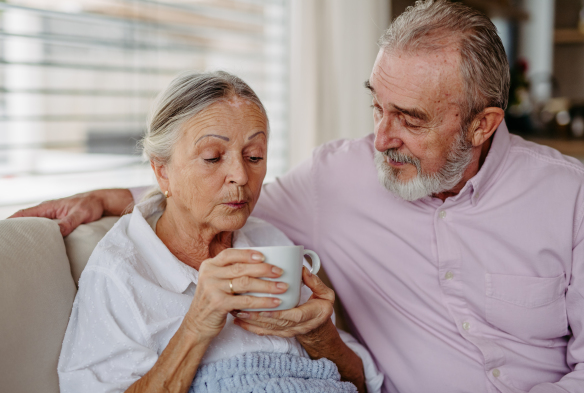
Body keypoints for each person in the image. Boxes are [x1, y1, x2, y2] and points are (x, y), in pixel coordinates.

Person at [12, 0, 584, 393]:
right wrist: (103, 197)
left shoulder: (572, 197)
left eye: (411, 120)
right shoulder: (337, 177)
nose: (381, 137)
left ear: (482, 125)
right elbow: (214, 192)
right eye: (377, 105)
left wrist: (322, 340)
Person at [55, 70, 383, 393]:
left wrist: (321, 336)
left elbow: (360, 383)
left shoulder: (270, 240)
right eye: (213, 157)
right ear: (162, 171)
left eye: (255, 156)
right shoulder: (120, 272)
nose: (241, 175)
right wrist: (196, 326)